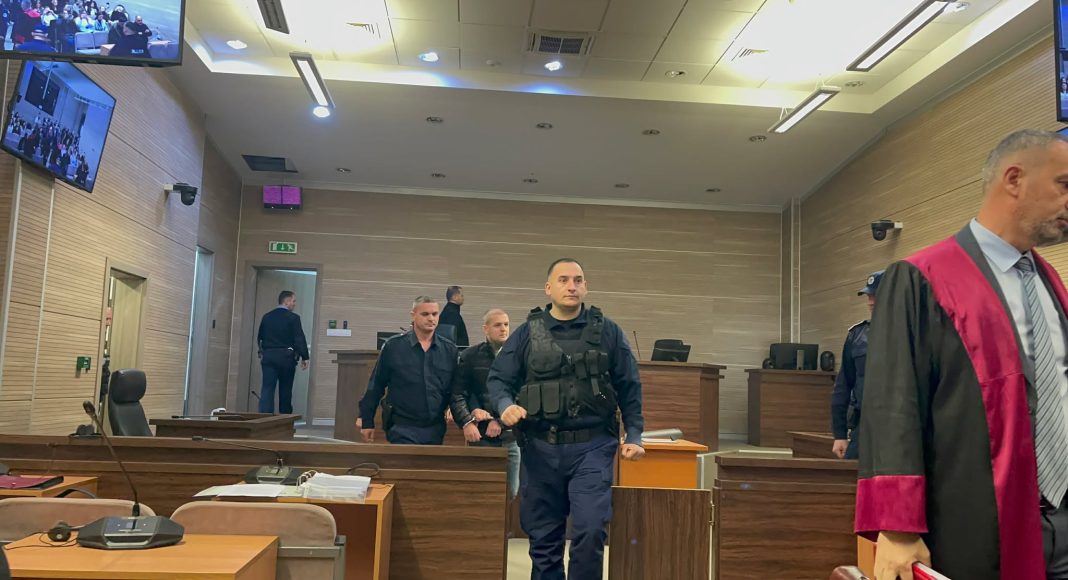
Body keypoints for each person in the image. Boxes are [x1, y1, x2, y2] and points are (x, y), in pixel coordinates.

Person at [856, 129, 1068, 580]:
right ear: (1014, 179)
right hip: (975, 521)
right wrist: (897, 527)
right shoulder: (922, 277)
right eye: (1064, 185)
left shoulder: (1050, 282)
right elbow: (893, 405)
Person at [487, 258, 645, 580]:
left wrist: (635, 434)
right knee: (543, 538)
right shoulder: (526, 333)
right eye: (563, 280)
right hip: (540, 447)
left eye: (578, 280)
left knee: (590, 531)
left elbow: (629, 385)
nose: (571, 286)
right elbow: (498, 380)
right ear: (548, 288)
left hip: (593, 447)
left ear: (586, 286)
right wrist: (505, 406)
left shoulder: (609, 332)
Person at [357, 296, 457, 445]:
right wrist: (366, 420)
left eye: (435, 314)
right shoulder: (394, 347)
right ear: (413, 315)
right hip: (401, 425)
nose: (431, 318)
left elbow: (455, 387)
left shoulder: (449, 350)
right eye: (425, 314)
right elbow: (376, 385)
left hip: (435, 426)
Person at [449, 308, 520, 500]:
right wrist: (467, 421)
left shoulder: (518, 357)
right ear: (485, 329)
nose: (503, 329)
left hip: (511, 437)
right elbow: (457, 394)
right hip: (480, 435)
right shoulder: (470, 356)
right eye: (498, 325)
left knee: (511, 494)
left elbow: (522, 396)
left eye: (506, 324)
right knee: (479, 494)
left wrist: (499, 421)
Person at [830, 270, 882, 460]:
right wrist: (840, 434)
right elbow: (842, 386)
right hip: (864, 426)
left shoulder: (912, 335)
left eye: (876, 295)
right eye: (868, 296)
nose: (871, 302)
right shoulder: (857, 335)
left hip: (903, 428)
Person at [256, 290, 309, 414]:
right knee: (285, 390)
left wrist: (263, 352)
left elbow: (260, 337)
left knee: (267, 389)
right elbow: (299, 338)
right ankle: (285, 419)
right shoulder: (293, 318)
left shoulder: (267, 317)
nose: (294, 304)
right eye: (293, 301)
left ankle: (264, 419)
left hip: (269, 356)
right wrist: (305, 357)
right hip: (286, 358)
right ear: (287, 301)